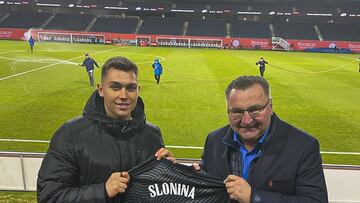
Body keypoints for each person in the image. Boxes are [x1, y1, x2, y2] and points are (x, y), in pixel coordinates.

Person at [37, 56, 174, 203]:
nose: (123, 95)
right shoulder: (70, 134)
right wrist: (103, 191)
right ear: (101, 89)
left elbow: (157, 194)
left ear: (138, 90)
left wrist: (169, 175)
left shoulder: (152, 135)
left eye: (130, 88)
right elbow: (49, 196)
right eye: (115, 87)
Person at [199, 75, 328, 202]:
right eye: (237, 112)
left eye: (255, 110)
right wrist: (187, 175)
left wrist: (254, 197)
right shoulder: (214, 140)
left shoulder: (303, 146)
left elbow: (315, 200)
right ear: (228, 111)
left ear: (270, 107)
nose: (246, 120)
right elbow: (203, 189)